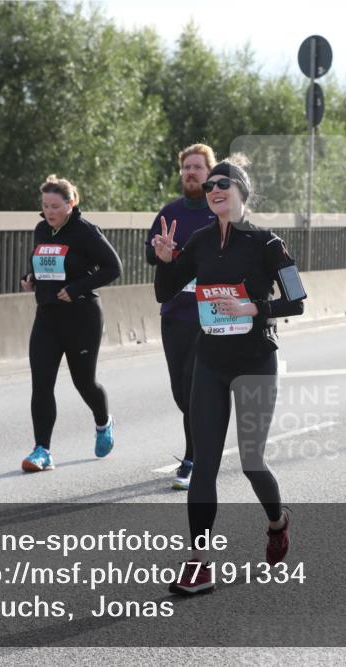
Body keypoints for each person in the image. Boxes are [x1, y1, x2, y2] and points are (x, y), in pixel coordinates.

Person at [152, 155, 307, 595]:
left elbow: (297, 299)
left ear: (242, 192)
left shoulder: (267, 243)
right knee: (204, 465)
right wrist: (166, 260)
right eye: (210, 185)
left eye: (224, 183)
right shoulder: (199, 241)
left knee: (253, 462)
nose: (214, 188)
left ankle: (278, 521)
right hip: (211, 362)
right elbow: (165, 292)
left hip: (256, 361)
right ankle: (198, 563)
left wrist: (255, 307)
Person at [19, 175, 122, 472]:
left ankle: (103, 423)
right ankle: (42, 450)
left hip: (82, 318)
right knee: (41, 384)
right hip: (47, 317)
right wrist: (30, 278)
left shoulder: (86, 232)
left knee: (84, 382)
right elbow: (41, 264)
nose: (48, 211)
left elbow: (113, 268)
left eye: (54, 206)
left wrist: (76, 288)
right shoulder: (42, 230)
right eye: (44, 205)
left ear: (70, 203)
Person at [145, 144, 217, 490]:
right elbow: (150, 255)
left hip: (210, 317)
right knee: (180, 394)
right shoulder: (169, 212)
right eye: (186, 167)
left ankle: (193, 459)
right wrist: (162, 253)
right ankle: (201, 443)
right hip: (175, 314)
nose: (191, 172)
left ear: (209, 172)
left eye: (197, 167)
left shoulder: (219, 211)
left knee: (194, 387)